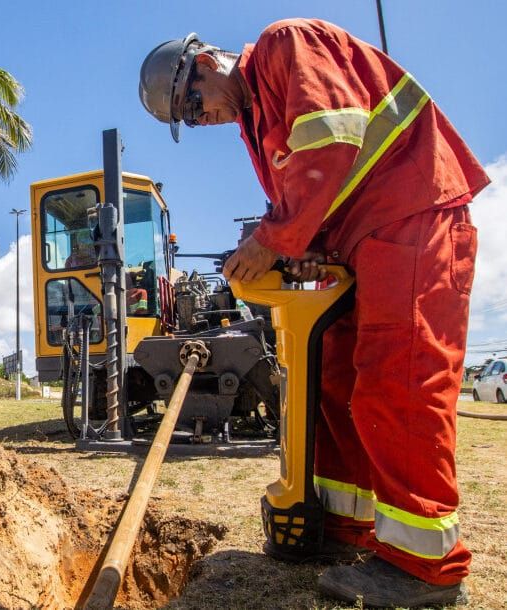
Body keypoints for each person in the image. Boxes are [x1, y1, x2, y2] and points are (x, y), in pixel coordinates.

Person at [139, 19, 488, 607]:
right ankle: (342, 524)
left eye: (193, 107)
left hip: (410, 213)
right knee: (335, 384)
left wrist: (273, 241)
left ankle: (425, 565)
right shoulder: (258, 124)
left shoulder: (285, 46)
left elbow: (332, 143)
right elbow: (309, 198)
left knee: (398, 382)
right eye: (190, 121)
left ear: (203, 64)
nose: (202, 121)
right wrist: (300, 248)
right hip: (358, 243)